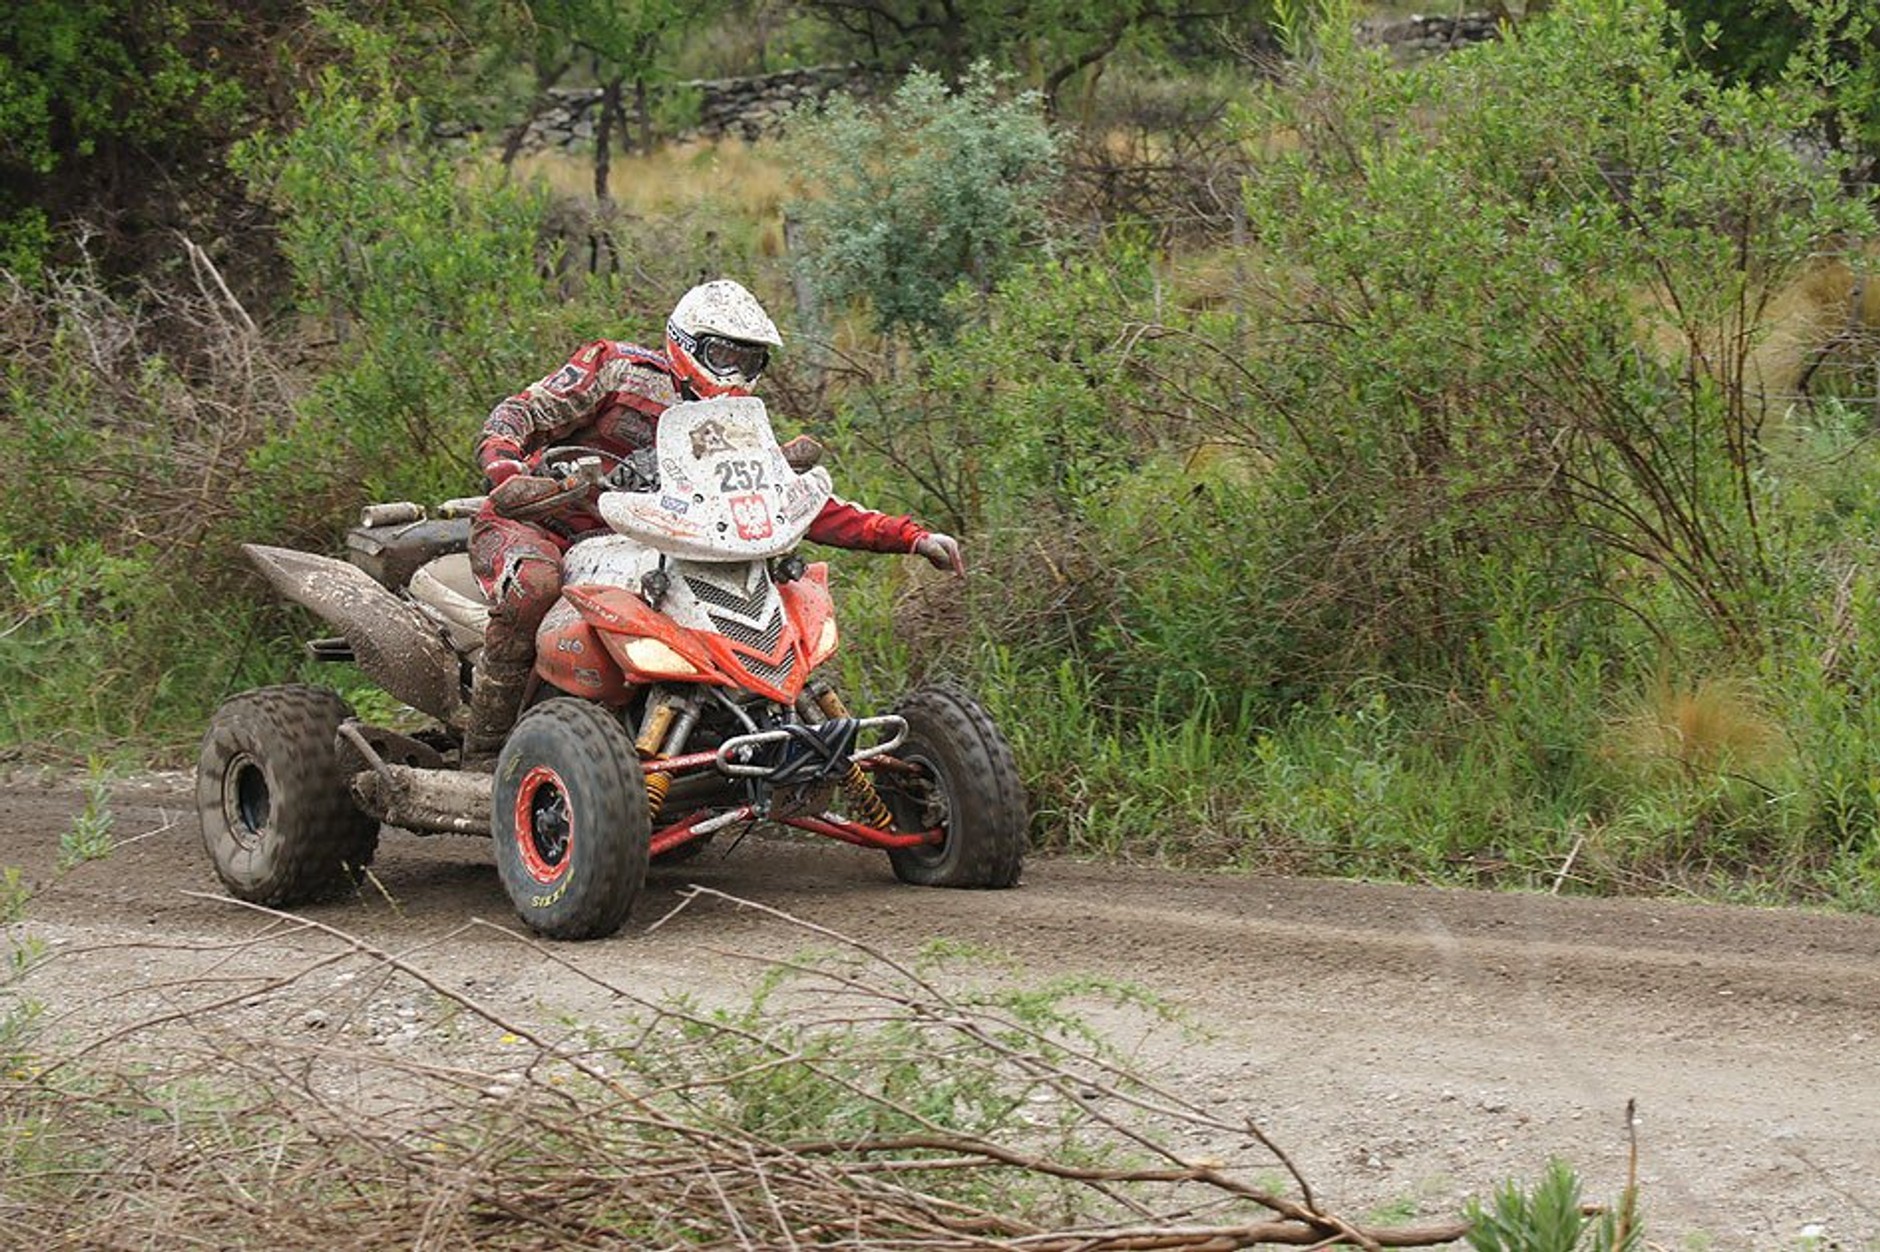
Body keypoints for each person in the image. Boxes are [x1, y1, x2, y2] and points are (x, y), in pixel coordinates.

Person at [462, 277, 964, 764]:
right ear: (686, 345)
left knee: (748, 585)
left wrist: (910, 537)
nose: (737, 375)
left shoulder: (735, 423)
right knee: (534, 583)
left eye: (751, 362)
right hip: (539, 520)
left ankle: (728, 734)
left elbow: (781, 500)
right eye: (725, 357)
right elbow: (521, 411)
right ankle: (488, 749)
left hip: (635, 539)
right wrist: (505, 467)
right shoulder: (618, 370)